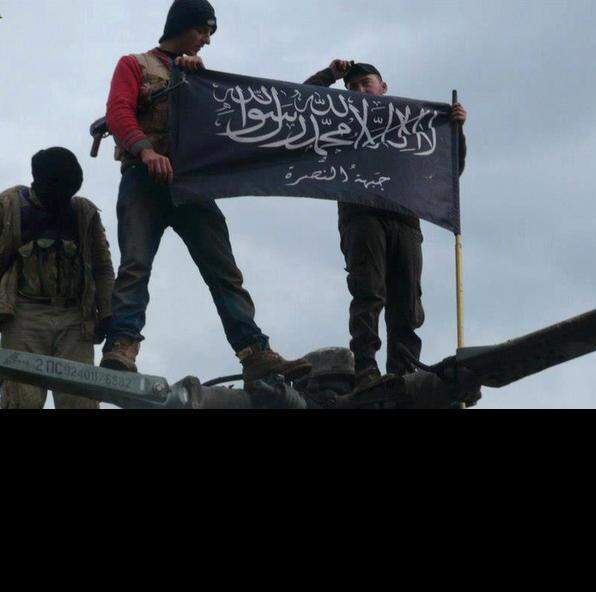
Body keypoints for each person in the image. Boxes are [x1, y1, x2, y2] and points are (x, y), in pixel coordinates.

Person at [99, 0, 310, 384]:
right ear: (183, 25)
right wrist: (146, 150)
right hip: (144, 180)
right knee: (135, 265)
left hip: (191, 184)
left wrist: (195, 80)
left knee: (223, 270)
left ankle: (254, 352)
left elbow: (218, 126)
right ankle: (121, 347)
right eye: (203, 31)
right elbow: (118, 112)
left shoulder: (196, 73)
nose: (206, 41)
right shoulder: (134, 64)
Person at [303, 59, 467, 394]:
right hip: (361, 216)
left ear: (384, 87)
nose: (360, 91)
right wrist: (330, 76)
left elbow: (449, 170)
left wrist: (456, 130)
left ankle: (404, 370)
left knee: (406, 300)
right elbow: (301, 102)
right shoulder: (339, 122)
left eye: (366, 83)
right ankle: (366, 368)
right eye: (352, 87)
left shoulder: (410, 126)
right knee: (368, 292)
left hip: (404, 218)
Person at [0, 148, 115, 409]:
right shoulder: (10, 206)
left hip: (75, 317)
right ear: (37, 182)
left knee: (81, 401)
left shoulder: (84, 213)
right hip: (24, 314)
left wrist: (108, 312)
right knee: (21, 399)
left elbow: (102, 268)